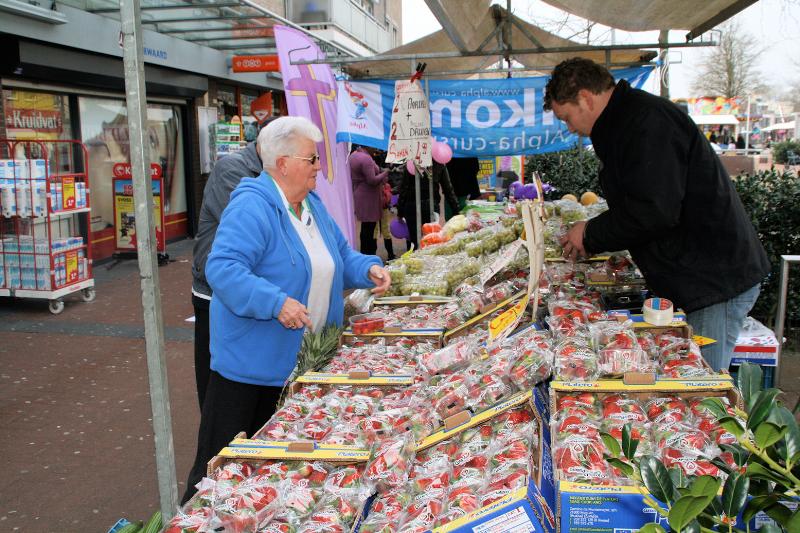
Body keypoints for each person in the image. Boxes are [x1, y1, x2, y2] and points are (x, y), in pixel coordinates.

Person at [182, 117, 391, 503]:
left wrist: (367, 268)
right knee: (218, 479)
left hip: (302, 366)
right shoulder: (252, 206)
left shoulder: (310, 204)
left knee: (272, 484)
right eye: (311, 159)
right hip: (251, 374)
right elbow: (223, 268)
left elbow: (340, 255)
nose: (318, 167)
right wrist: (274, 302)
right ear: (283, 163)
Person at [546, 57, 769, 373]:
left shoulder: (647, 122)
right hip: (693, 274)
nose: (569, 128)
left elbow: (654, 210)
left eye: (566, 117)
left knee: (697, 384)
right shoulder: (626, 122)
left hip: (711, 281)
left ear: (585, 97)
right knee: (683, 373)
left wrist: (591, 233)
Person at [190, 117, 278, 411]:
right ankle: (215, 450)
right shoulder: (232, 169)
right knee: (220, 386)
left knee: (251, 388)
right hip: (216, 292)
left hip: (251, 288)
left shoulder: (270, 169)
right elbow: (255, 225)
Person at [397, 161, 459, 249]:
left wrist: (400, 211)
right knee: (431, 241)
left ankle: (414, 260)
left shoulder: (412, 162)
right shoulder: (439, 162)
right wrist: (455, 209)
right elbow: (448, 188)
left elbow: (404, 189)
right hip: (430, 206)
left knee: (414, 242)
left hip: (412, 206)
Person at [350, 145, 388, 255]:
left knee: (366, 227)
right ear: (368, 146)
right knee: (369, 228)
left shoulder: (354, 156)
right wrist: (385, 173)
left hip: (361, 194)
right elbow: (372, 180)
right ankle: (369, 254)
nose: (376, 149)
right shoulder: (366, 159)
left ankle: (365, 253)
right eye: (373, 146)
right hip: (368, 197)